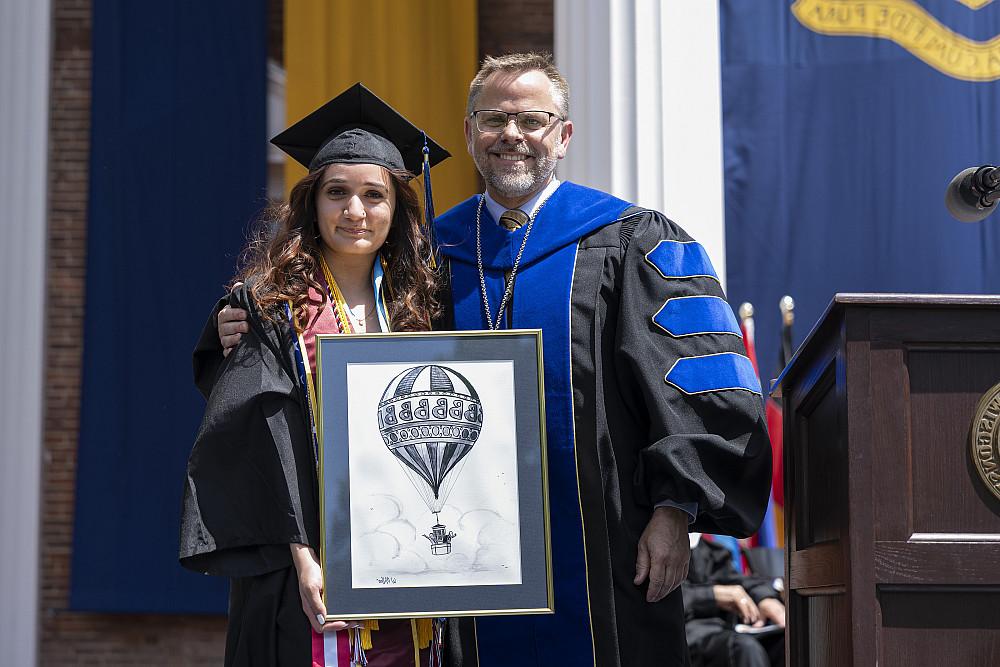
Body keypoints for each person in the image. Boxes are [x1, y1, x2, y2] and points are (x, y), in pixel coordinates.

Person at [218, 53, 771, 666]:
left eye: (532, 119)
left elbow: (699, 385)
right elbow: (321, 326)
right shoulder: (427, 253)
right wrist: (238, 320)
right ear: (469, 134)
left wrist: (675, 513)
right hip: (463, 564)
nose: (512, 134)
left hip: (605, 549)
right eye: (494, 118)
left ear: (563, 135)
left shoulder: (628, 240)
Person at [180, 83, 475, 666]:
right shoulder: (271, 307)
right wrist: (304, 556)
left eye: (374, 194)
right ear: (311, 203)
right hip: (304, 569)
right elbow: (257, 439)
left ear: (398, 208)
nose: (355, 211)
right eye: (337, 193)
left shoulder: (428, 306)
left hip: (415, 566)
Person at [682, 534, 785, 667]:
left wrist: (764, 598)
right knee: (743, 648)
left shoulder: (706, 550)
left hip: (725, 629)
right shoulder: (657, 548)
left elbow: (736, 579)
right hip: (685, 636)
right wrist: (712, 595)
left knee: (785, 642)